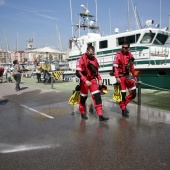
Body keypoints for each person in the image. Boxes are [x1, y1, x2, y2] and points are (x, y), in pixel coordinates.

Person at [76, 45, 109, 121]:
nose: (92, 55)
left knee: (97, 96)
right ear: (87, 51)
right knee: (83, 98)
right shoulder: (81, 60)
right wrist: (85, 80)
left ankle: (100, 115)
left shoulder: (94, 60)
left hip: (93, 80)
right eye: (91, 54)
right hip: (84, 81)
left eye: (93, 54)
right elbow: (78, 72)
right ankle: (82, 112)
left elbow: (96, 72)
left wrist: (99, 79)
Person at [113, 41, 137, 118]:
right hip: (121, 77)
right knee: (123, 95)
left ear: (128, 48)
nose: (124, 48)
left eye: (126, 47)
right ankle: (123, 110)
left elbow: (132, 67)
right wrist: (117, 77)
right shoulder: (118, 55)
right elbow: (115, 67)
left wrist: (134, 75)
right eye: (123, 47)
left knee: (133, 94)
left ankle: (123, 104)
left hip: (128, 76)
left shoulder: (130, 55)